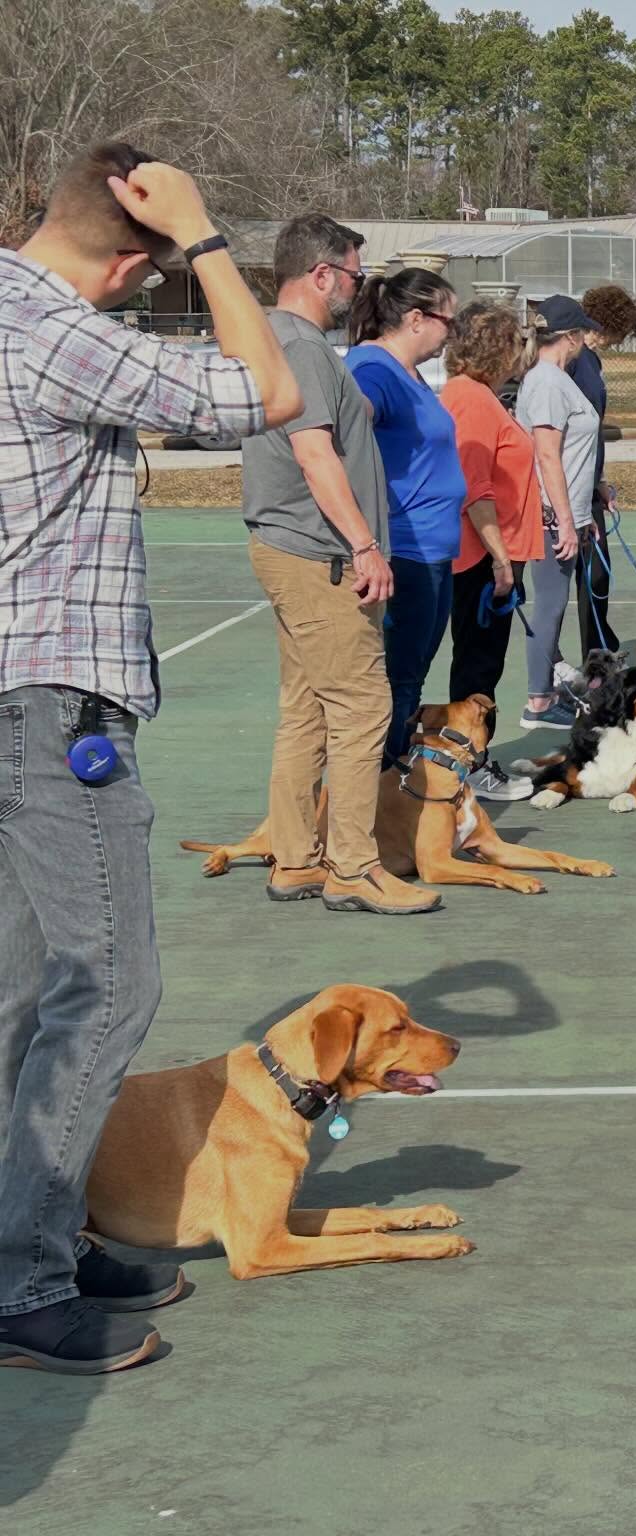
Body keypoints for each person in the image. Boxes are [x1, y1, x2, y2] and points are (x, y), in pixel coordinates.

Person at [0, 144, 298, 1373]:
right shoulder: (58, 328)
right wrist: (211, 238)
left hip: (13, 689)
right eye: (146, 271)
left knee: (21, 992)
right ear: (127, 259)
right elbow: (263, 391)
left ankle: (38, 1236)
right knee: (108, 985)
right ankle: (24, 1283)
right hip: (54, 702)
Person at [243, 216, 439, 916]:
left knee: (306, 709)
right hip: (317, 552)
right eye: (356, 276)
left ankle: (296, 858)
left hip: (291, 545)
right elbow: (314, 454)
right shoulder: (297, 347)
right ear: (322, 274)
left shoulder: (288, 344)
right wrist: (363, 544)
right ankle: (353, 868)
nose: (359, 290)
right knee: (361, 706)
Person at [346, 268, 464, 773]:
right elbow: (344, 425)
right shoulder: (373, 369)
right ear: (417, 319)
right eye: (448, 322)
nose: (450, 335)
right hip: (406, 550)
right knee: (398, 678)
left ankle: (389, 781)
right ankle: (378, 787)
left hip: (433, 551)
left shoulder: (409, 374)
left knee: (411, 674)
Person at [443, 301, 543, 800]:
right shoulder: (472, 400)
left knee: (482, 662)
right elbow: (473, 485)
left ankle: (467, 761)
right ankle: (469, 766)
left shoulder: (478, 396)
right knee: (478, 666)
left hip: (488, 555)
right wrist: (501, 557)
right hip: (479, 559)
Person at [516, 294, 603, 730]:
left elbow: (569, 451)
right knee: (549, 606)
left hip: (569, 510)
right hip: (552, 516)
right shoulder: (548, 382)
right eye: (583, 332)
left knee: (554, 605)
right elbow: (547, 455)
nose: (588, 339)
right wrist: (565, 521)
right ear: (570, 337)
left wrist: (592, 497)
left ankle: (547, 689)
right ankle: (538, 701)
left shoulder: (557, 379)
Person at [569, 283, 636, 654]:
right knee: (587, 572)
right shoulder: (575, 358)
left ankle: (599, 644)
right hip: (567, 484)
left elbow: (593, 430)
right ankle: (589, 653)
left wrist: (599, 480)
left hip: (587, 480)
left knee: (597, 572)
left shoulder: (592, 361)